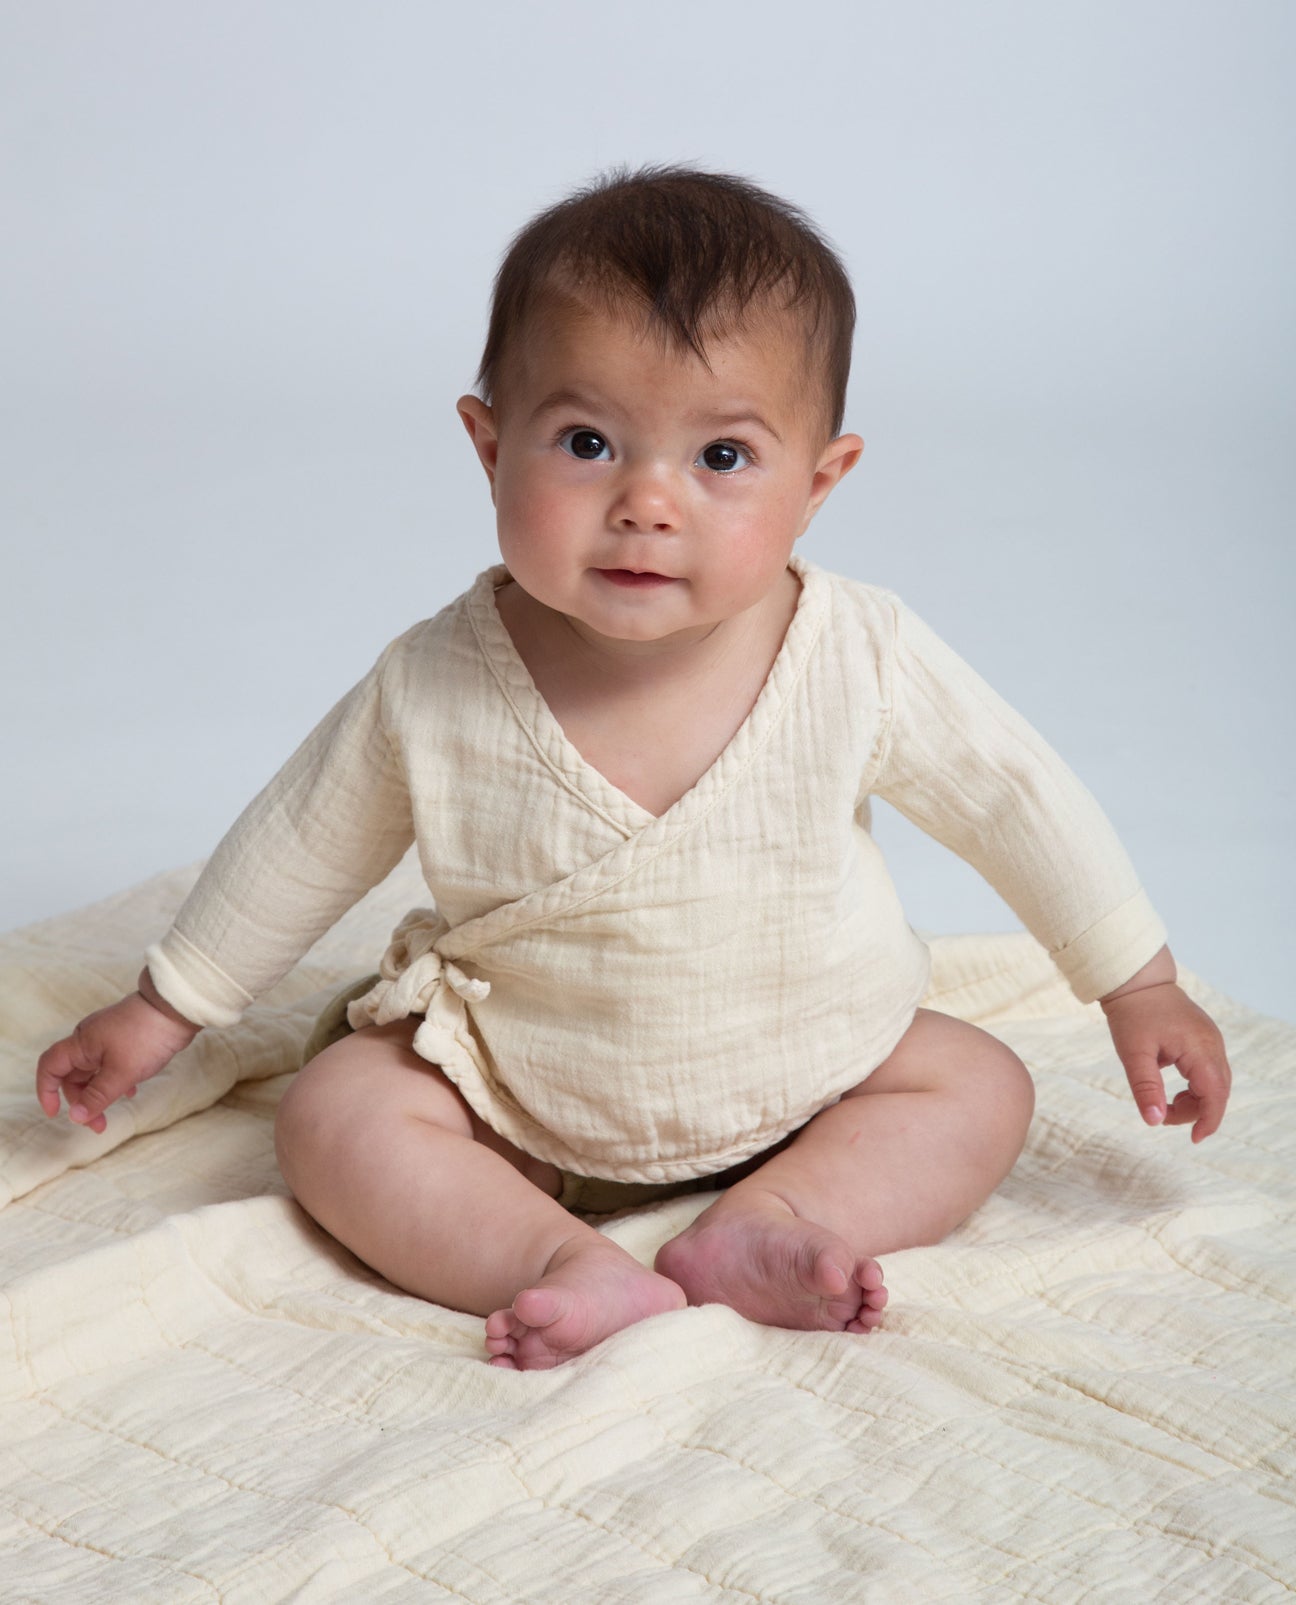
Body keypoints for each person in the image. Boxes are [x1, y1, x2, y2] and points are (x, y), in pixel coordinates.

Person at [35, 165, 1232, 1371]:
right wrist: (164, 1008)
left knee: (977, 1084)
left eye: (724, 456)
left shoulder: (857, 653)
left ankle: (775, 1217)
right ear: (489, 446)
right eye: (588, 443)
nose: (647, 504)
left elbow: (1017, 799)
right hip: (515, 1092)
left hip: (816, 1068)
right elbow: (299, 842)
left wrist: (1136, 983)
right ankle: (555, 1258)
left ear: (819, 484)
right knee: (337, 1113)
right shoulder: (436, 678)